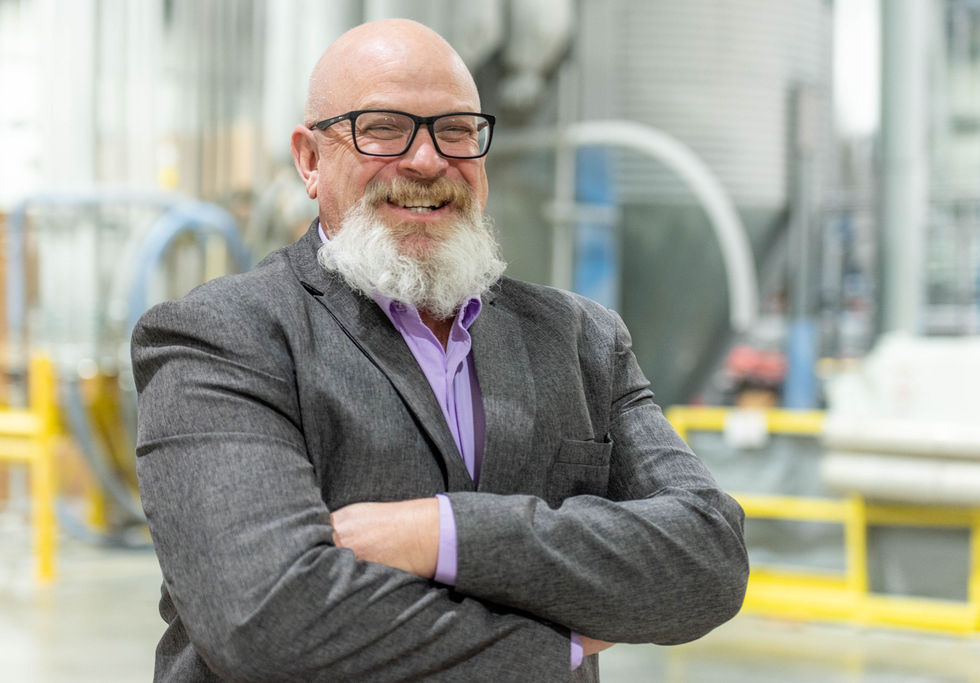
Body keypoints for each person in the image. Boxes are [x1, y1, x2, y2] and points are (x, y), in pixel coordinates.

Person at [132, 18, 747, 682]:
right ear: (310, 160)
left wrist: (440, 532)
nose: (427, 161)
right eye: (383, 128)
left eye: (455, 131)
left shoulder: (580, 339)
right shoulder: (221, 337)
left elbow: (709, 557)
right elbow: (267, 621)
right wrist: (563, 643)